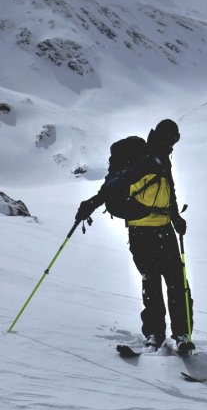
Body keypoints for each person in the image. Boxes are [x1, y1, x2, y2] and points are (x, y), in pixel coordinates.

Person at [75, 119, 194, 354]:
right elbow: (114, 187)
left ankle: (177, 334)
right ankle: (157, 334)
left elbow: (169, 190)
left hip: (162, 229)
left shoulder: (162, 158)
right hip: (143, 232)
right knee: (157, 283)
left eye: (175, 141)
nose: (172, 145)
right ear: (162, 137)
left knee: (174, 283)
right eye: (171, 140)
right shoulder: (147, 158)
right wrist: (91, 203)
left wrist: (176, 217)